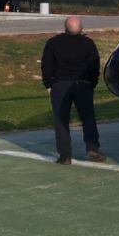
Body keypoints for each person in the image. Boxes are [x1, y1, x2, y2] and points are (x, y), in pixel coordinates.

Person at [41, 15, 105, 165]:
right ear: (81, 29)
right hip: (83, 84)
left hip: (60, 85)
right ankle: (92, 147)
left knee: (61, 119)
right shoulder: (88, 43)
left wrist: (48, 84)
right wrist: (92, 83)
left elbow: (47, 65)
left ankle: (65, 155)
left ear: (65, 28)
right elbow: (94, 66)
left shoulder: (53, 43)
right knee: (88, 117)